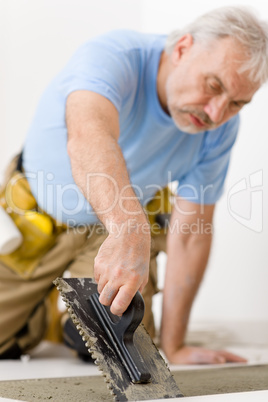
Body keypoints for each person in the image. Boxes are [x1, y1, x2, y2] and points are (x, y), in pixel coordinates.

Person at [0, 6, 268, 364]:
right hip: (35, 220)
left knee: (122, 344)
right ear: (183, 48)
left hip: (109, 236)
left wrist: (175, 346)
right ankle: (46, 314)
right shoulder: (113, 57)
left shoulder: (218, 131)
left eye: (237, 103)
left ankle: (72, 314)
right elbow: (89, 135)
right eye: (213, 86)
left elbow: (190, 234)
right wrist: (128, 226)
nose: (216, 113)